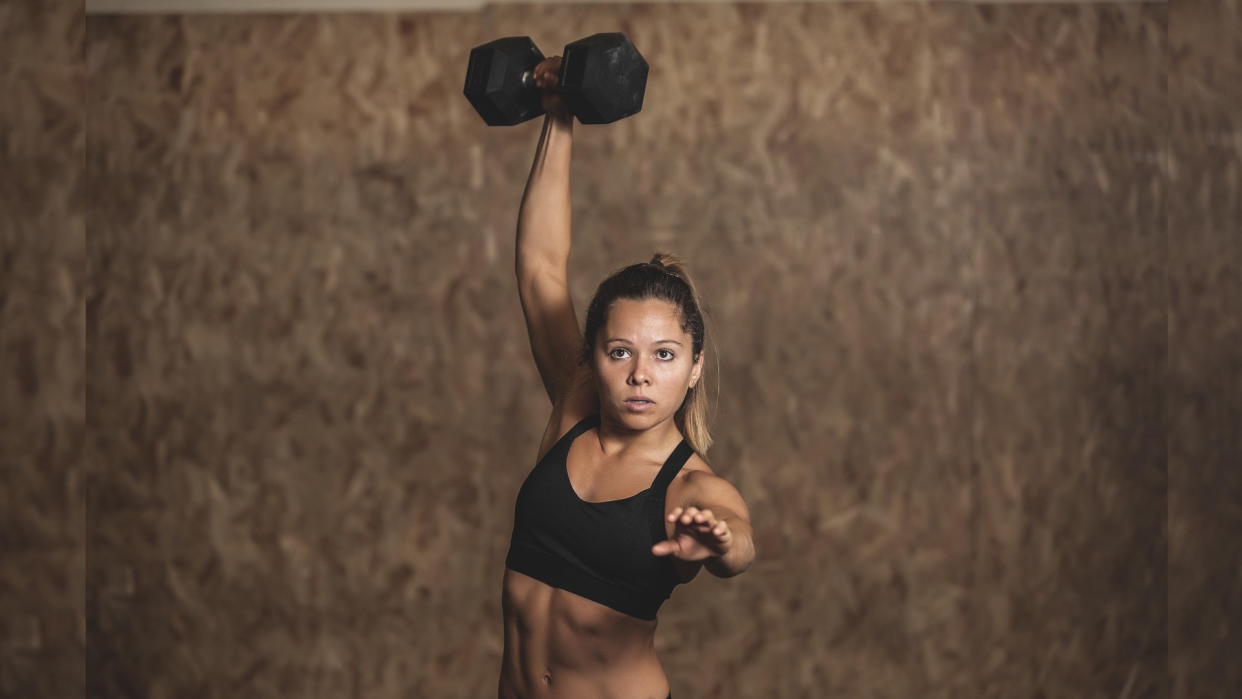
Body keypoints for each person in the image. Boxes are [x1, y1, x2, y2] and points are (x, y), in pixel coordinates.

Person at [497, 55, 756, 699]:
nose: (641, 374)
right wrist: (559, 114)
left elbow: (738, 539)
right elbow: (540, 268)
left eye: (665, 355)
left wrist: (716, 544)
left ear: (695, 368)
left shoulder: (690, 488)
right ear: (592, 359)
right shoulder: (573, 408)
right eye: (621, 353)